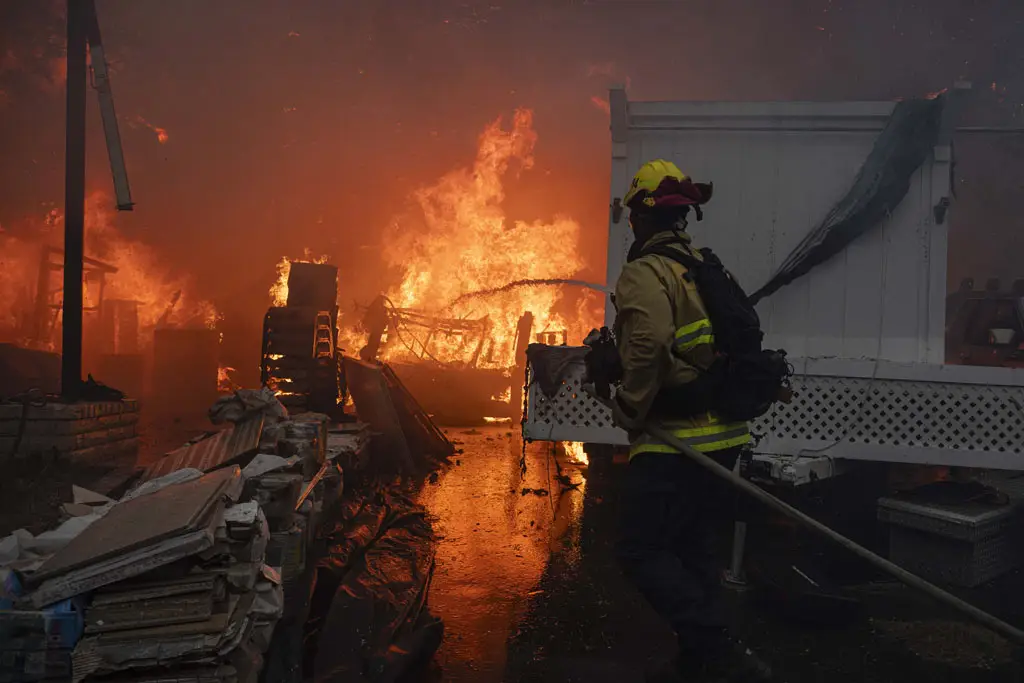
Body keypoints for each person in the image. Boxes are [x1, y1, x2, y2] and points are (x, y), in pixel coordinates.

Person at [611, 160, 773, 682]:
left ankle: (719, 650)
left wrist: (630, 406)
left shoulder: (647, 271)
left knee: (640, 549)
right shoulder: (705, 267)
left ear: (640, 217)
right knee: (692, 547)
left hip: (677, 441)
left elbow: (650, 341)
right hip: (725, 437)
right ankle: (700, 663)